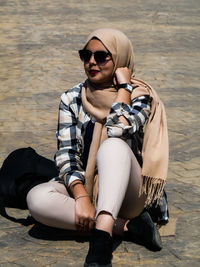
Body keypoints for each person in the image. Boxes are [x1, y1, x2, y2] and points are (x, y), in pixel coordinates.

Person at [27, 28, 168, 267]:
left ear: (121, 59)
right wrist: (81, 196)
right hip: (90, 188)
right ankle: (124, 227)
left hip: (132, 194)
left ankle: (100, 243)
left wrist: (123, 89)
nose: (92, 62)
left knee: (113, 146)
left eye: (102, 56)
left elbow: (118, 129)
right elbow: (67, 154)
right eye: (86, 55)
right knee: (37, 199)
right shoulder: (72, 98)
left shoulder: (141, 95)